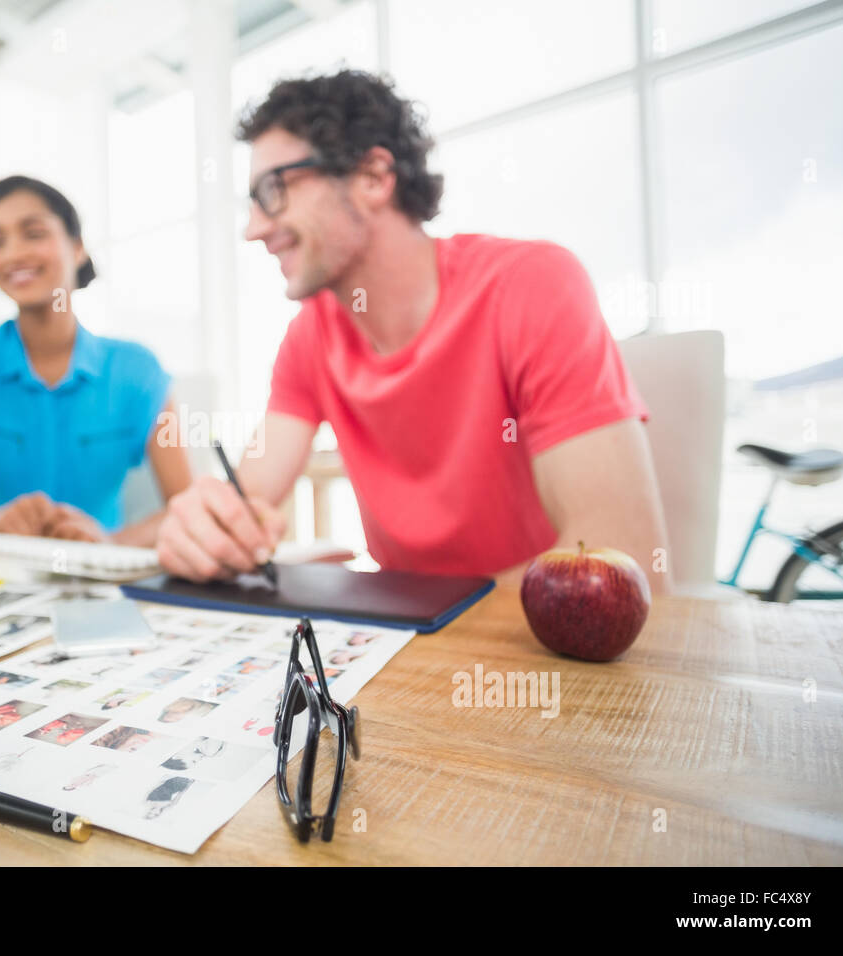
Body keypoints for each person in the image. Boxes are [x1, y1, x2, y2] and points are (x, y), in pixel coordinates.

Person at [156, 70, 670, 595]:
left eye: (273, 190)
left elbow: (621, 562)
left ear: (374, 176)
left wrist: (428, 617)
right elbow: (248, 501)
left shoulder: (530, 285)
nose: (253, 228)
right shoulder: (308, 339)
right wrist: (207, 532)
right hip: (408, 640)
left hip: (535, 656)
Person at [0, 176, 192, 545]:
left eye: (33, 233)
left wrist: (110, 544)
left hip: (100, 578)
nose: (12, 254)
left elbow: (186, 507)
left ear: (77, 248)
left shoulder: (138, 371)